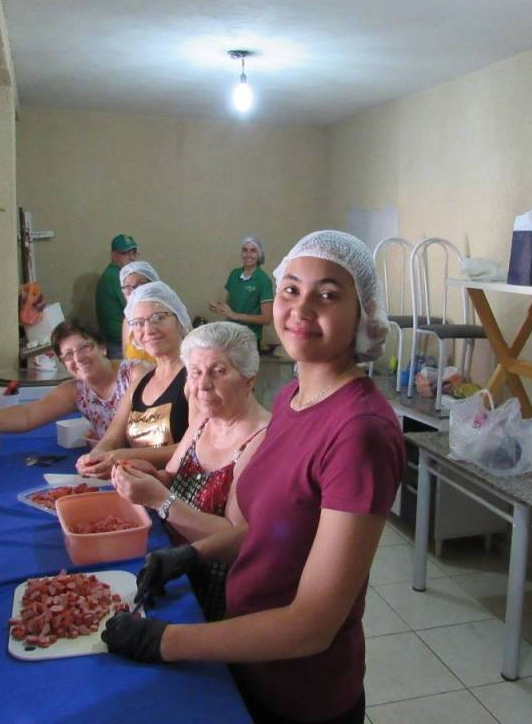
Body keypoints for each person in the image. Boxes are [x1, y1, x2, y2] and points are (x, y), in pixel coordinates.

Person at [103, 231, 404, 724]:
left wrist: (166, 640)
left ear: (363, 313)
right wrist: (193, 553)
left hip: (299, 691)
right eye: (291, 289)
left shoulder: (360, 432)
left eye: (328, 294)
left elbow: (313, 625)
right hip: (243, 652)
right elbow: (273, 528)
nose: (301, 309)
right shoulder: (291, 399)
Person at [111, 321, 270, 620]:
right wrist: (149, 475)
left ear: (249, 380)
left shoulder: (262, 441)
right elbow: (171, 478)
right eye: (195, 372)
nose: (203, 384)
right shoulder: (205, 418)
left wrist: (159, 499)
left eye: (218, 371)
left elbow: (235, 542)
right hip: (170, 567)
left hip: (215, 593)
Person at [0, 320, 145, 440]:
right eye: (68, 355)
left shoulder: (134, 374)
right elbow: (27, 416)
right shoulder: (77, 391)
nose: (78, 358)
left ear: (103, 347)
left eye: (84, 347)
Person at [77, 281, 192, 477]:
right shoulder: (141, 382)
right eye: (138, 323)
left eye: (158, 318)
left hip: (179, 489)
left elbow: (195, 447)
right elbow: (112, 438)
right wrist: (96, 456)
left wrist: (124, 456)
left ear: (179, 320)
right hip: (138, 486)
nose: (148, 329)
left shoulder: (196, 378)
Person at [209, 235, 274, 347]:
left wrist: (235, 315)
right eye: (245, 250)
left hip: (249, 339)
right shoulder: (234, 274)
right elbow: (229, 304)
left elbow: (267, 319)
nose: (248, 254)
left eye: (253, 251)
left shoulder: (263, 280)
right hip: (230, 335)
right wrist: (220, 309)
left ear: (259, 254)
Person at [95, 233, 139, 357]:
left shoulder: (118, 273)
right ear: (114, 256)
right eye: (126, 253)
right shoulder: (115, 276)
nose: (132, 258)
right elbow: (135, 308)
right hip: (117, 343)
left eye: (133, 252)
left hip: (121, 339)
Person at [119, 260, 159, 363]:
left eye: (140, 284)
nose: (134, 291)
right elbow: (126, 360)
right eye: (127, 287)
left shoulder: (167, 314)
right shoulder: (127, 321)